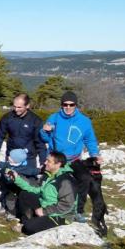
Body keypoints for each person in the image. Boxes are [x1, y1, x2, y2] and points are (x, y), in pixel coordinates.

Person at [40, 91, 104, 224]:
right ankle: (48, 208)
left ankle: (78, 211)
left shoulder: (84, 121)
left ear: (76, 105)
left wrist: (95, 155)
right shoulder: (54, 118)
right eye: (65, 104)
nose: (68, 107)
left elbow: (90, 140)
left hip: (74, 159)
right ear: (61, 105)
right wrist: (44, 130)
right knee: (50, 183)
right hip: (56, 159)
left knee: (84, 179)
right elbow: (44, 138)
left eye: (71, 104)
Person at [12, 151, 76, 235]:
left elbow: (67, 205)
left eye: (48, 161)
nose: (45, 163)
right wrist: (17, 179)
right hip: (45, 207)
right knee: (25, 194)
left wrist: (45, 211)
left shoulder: (65, 180)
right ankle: (29, 222)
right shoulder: (49, 175)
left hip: (60, 215)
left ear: (58, 164)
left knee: (29, 227)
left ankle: (29, 225)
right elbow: (36, 190)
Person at [0, 94, 47, 171]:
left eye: (19, 107)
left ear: (27, 106)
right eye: (14, 106)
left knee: (28, 181)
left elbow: (40, 142)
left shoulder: (36, 121)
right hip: (11, 156)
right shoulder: (7, 118)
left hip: (29, 158)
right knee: (8, 180)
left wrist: (43, 161)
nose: (16, 109)